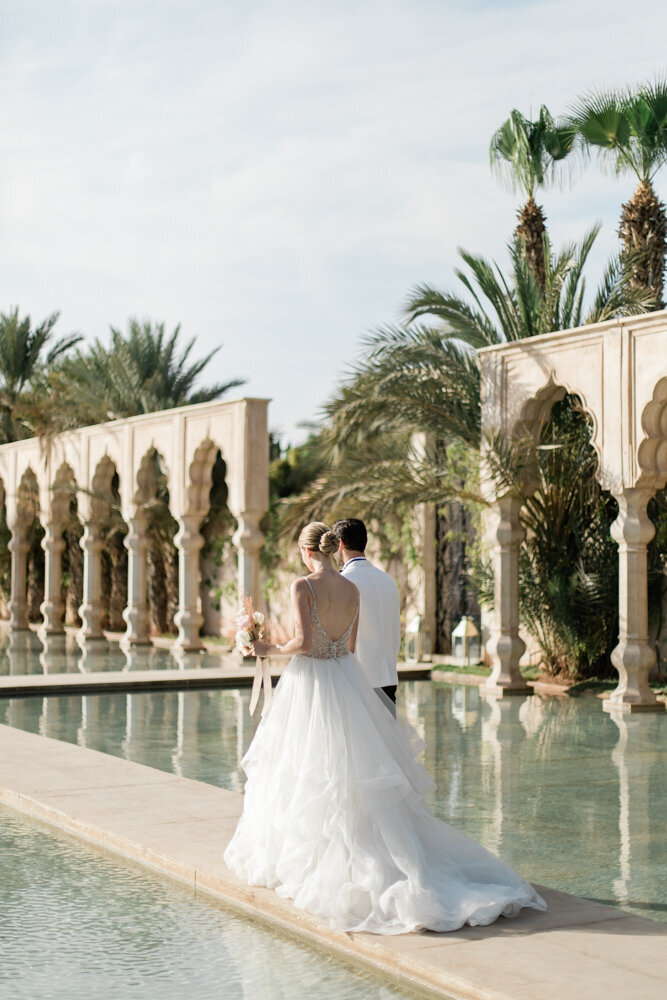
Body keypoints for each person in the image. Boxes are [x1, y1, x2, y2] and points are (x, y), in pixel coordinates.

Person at [223, 521, 546, 935]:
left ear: (307, 552)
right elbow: (350, 646)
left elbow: (304, 644)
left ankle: (324, 859)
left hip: (312, 685)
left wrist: (266, 647)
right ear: (331, 547)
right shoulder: (352, 589)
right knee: (349, 777)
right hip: (348, 682)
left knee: (308, 772)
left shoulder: (302, 586)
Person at [332, 517, 400, 706]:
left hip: (358, 679)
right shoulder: (387, 581)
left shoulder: (343, 582)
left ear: (340, 543)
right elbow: (395, 633)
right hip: (387, 677)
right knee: (387, 736)